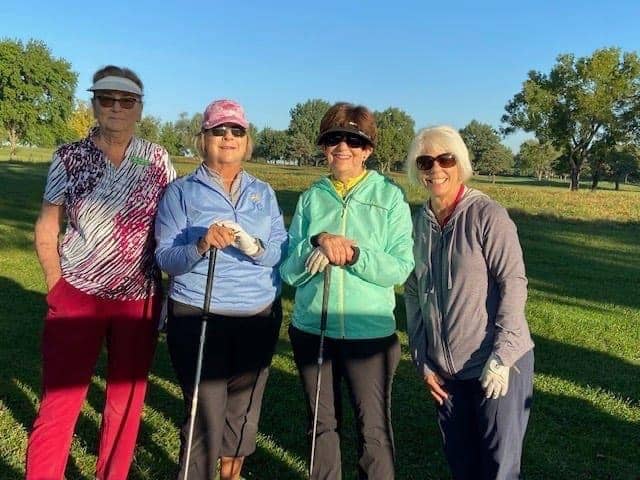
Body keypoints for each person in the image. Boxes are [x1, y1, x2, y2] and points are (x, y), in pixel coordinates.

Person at [27, 65, 176, 480]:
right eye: (106, 99)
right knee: (60, 401)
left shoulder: (157, 159)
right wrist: (56, 285)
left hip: (138, 298)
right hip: (77, 293)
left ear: (139, 109)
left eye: (126, 101)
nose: (116, 107)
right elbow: (47, 224)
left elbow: (173, 224)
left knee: (125, 405)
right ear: (94, 104)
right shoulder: (68, 157)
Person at [280, 102, 414, 480]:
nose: (343, 148)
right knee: (320, 426)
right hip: (313, 330)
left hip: (369, 334)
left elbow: (400, 267)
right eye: (334, 139)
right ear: (324, 147)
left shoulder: (389, 197)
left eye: (354, 141)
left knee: (373, 431)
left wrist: (353, 255)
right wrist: (317, 242)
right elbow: (289, 271)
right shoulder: (312, 197)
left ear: (367, 149)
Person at [154, 99, 287, 480]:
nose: (228, 137)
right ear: (204, 139)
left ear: (247, 141)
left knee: (242, 415)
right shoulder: (181, 192)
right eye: (219, 130)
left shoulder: (263, 192)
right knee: (204, 415)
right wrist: (200, 245)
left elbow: (280, 249)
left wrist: (254, 247)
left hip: (257, 316)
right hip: (199, 315)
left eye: (237, 131)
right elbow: (166, 258)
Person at [404, 125, 535, 480]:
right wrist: (422, 358)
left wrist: (502, 356)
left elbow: (514, 283)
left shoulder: (488, 215)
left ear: (459, 162)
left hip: (495, 365)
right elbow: (413, 291)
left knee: (498, 468)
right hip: (446, 373)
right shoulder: (419, 223)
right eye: (425, 161)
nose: (436, 169)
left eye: (445, 159)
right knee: (462, 466)